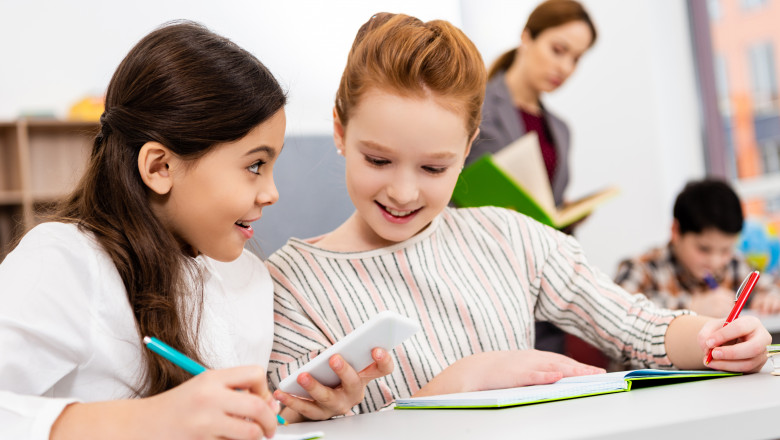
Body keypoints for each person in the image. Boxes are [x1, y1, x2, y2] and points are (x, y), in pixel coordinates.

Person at [266, 12, 771, 415]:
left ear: (467, 150)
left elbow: (636, 325)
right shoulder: (289, 286)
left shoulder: (510, 237)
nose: (402, 192)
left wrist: (713, 339)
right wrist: (454, 387)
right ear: (339, 130)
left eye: (434, 168)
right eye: (378, 160)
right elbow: (284, 422)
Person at [0, 21, 391, 439]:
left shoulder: (248, 278)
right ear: (159, 167)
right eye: (255, 165)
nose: (272, 193)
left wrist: (292, 414)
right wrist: (149, 421)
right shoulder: (63, 261)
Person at [466, 0, 598, 356]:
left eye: (576, 58)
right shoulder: (473, 107)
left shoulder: (561, 129)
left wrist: (566, 215)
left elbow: (545, 203)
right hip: (484, 280)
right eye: (559, 50)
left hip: (540, 287)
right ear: (527, 37)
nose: (566, 67)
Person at [615, 178, 780, 317]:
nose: (715, 261)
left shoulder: (734, 265)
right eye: (704, 249)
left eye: (725, 250)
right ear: (676, 231)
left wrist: (770, 298)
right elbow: (618, 310)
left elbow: (770, 287)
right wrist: (690, 306)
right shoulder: (643, 268)